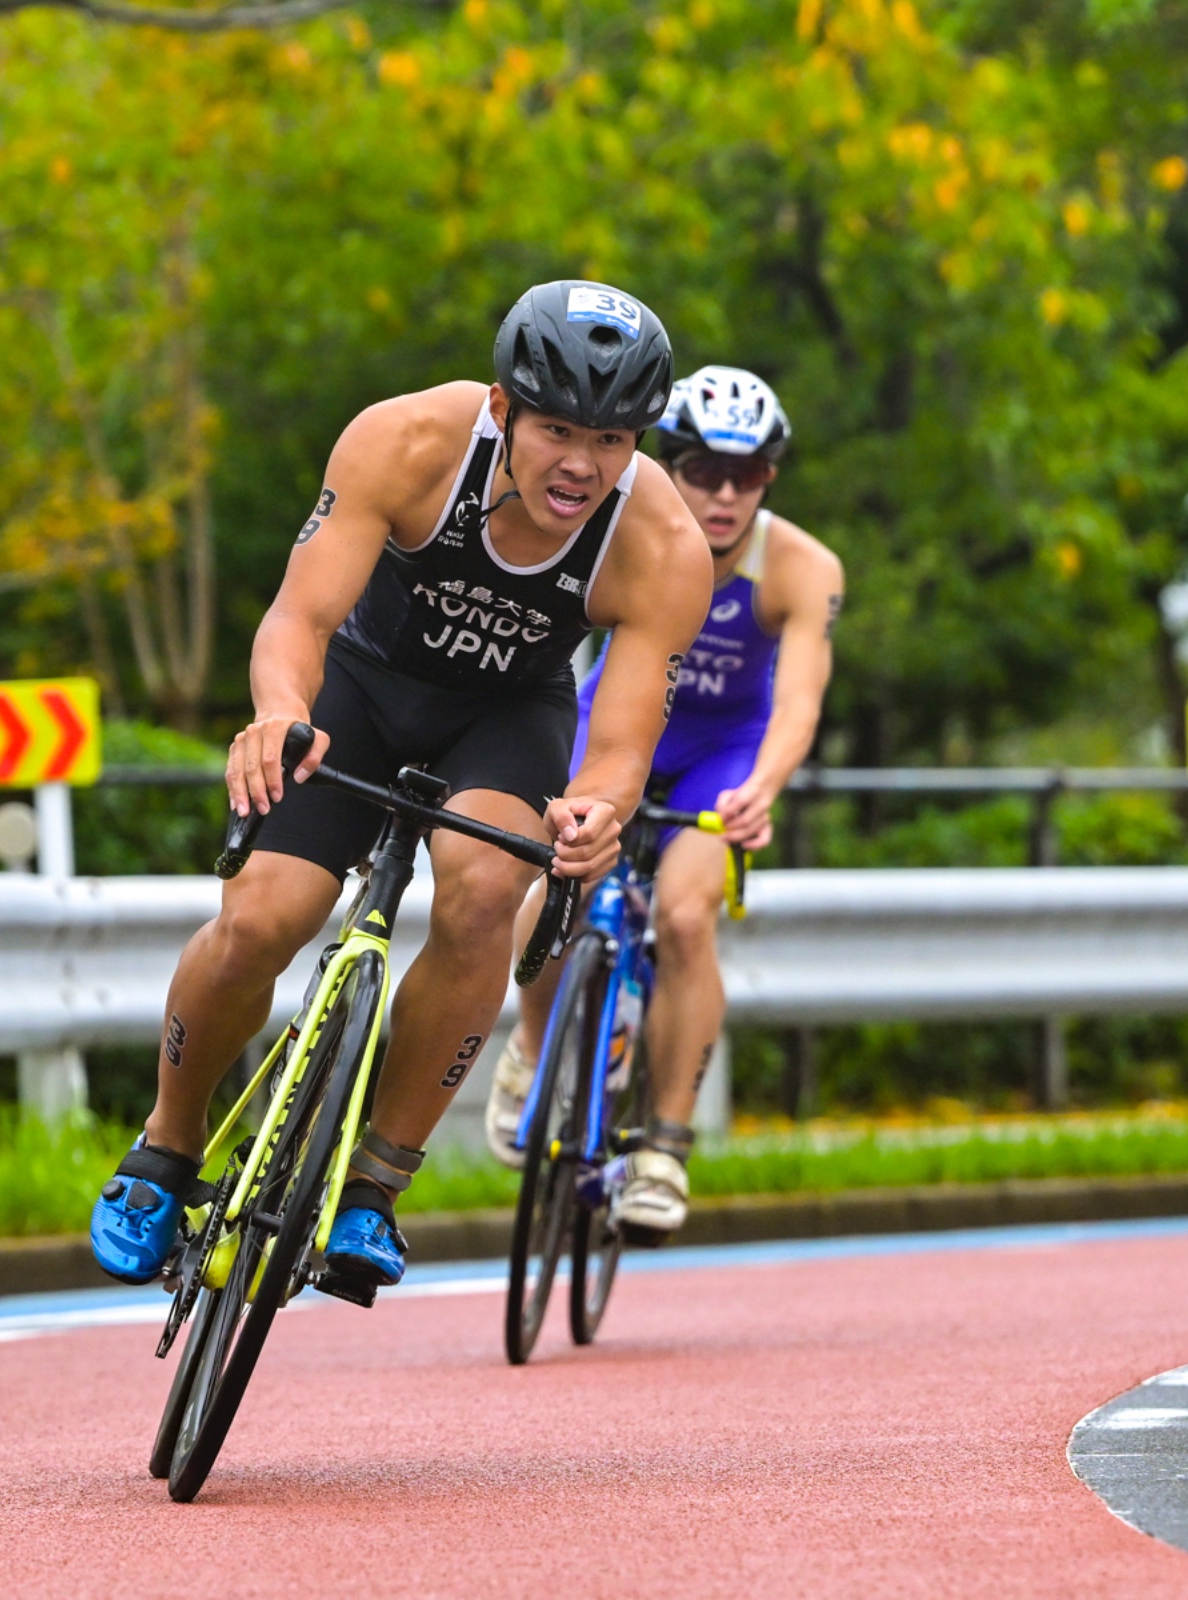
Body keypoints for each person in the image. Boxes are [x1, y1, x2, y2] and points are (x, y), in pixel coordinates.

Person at [89, 282, 709, 1299]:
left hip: (506, 715)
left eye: (609, 440)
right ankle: (166, 1145)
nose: (580, 464)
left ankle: (374, 1184)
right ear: (503, 410)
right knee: (264, 918)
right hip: (359, 686)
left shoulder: (664, 546)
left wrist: (596, 811)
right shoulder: (408, 440)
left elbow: (620, 746)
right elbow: (298, 619)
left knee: (483, 888)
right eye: (557, 430)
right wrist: (277, 713)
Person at [489, 366, 842, 1241]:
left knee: (685, 917)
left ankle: (663, 1149)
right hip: (618, 721)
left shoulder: (802, 567)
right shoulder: (621, 526)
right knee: (556, 877)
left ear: (769, 477)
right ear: (666, 464)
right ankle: (532, 1049)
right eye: (701, 470)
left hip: (725, 753)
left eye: (746, 475)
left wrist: (762, 788)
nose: (723, 495)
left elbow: (798, 702)